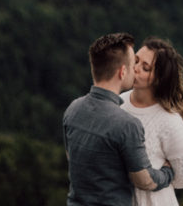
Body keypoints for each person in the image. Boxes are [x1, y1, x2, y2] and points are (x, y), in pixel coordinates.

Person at [63, 32, 175, 206]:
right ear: (122, 72)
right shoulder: (126, 124)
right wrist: (168, 173)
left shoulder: (73, 109)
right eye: (132, 65)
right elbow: (144, 180)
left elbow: (72, 158)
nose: (135, 70)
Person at [120, 36, 183, 205]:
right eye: (136, 60)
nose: (135, 68)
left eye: (145, 68)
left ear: (159, 78)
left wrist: (157, 177)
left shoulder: (170, 122)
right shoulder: (118, 103)